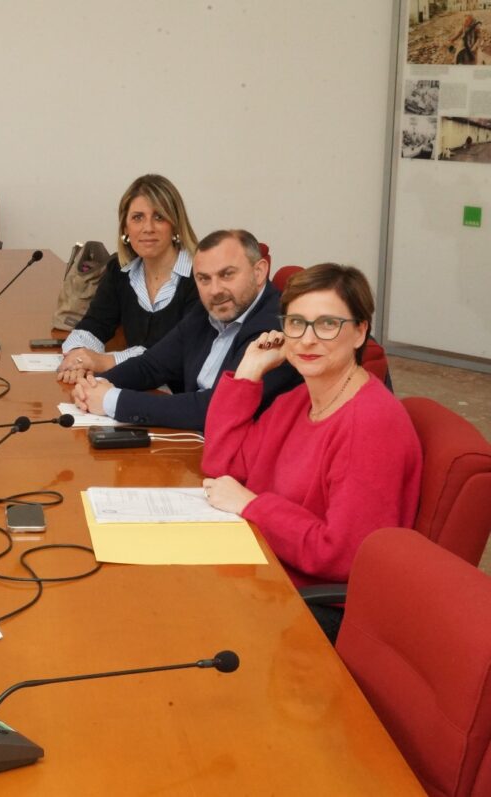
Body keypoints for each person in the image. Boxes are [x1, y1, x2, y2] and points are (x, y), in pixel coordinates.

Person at [201, 263, 422, 638]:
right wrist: (248, 372)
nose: (306, 339)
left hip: (321, 608)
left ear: (360, 332)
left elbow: (343, 555)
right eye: (296, 323)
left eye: (327, 324)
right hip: (272, 568)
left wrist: (252, 505)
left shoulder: (370, 424)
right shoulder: (299, 399)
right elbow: (223, 465)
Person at [71, 229, 300, 430]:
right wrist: (93, 385)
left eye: (227, 275)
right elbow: (152, 365)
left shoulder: (277, 328)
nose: (215, 290)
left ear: (259, 272)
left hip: (240, 455)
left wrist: (113, 400)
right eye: (203, 279)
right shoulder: (212, 309)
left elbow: (215, 407)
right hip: (197, 443)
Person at [57, 174, 200, 383]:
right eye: (137, 218)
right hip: (138, 388)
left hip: (183, 394)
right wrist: (78, 357)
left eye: (159, 217)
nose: (148, 228)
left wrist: (105, 361)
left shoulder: (201, 276)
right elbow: (95, 324)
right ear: (125, 228)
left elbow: (175, 353)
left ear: (176, 225)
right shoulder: (120, 270)